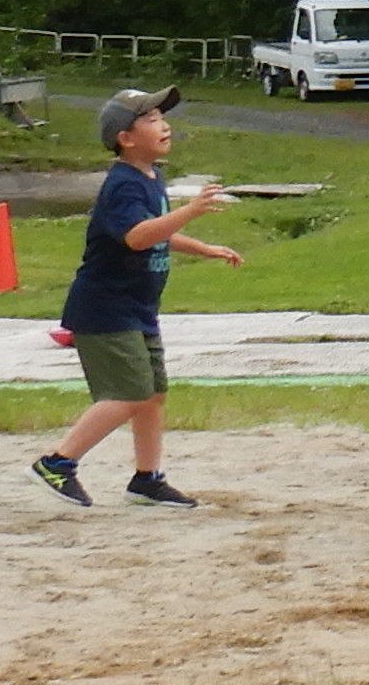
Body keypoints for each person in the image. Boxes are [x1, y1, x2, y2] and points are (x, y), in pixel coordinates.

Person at [31, 87, 243, 508]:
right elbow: (138, 236)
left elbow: (157, 230)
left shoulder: (151, 177)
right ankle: (56, 464)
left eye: (162, 117)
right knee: (128, 394)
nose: (164, 126)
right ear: (126, 138)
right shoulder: (123, 184)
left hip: (137, 307)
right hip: (105, 308)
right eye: (151, 120)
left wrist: (203, 248)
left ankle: (147, 479)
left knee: (152, 395)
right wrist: (189, 211)